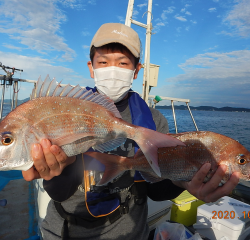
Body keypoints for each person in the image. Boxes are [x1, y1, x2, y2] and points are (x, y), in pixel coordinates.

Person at [22, 23, 240, 240]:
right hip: (67, 232)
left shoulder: (154, 121)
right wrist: (56, 172)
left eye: (123, 62)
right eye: (104, 62)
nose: (112, 69)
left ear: (136, 70)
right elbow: (58, 193)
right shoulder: (65, 112)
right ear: (91, 67)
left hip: (131, 232)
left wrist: (184, 184)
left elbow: (155, 191)